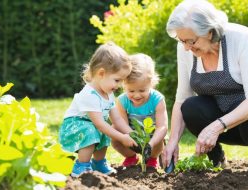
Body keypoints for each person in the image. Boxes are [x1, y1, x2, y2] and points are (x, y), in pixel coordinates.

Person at [162, 0, 248, 174]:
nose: (186, 47)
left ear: (209, 32)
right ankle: (216, 160)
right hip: (226, 118)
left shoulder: (240, 37)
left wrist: (215, 126)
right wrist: (173, 142)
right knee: (190, 107)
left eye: (191, 41)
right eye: (182, 41)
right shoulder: (186, 47)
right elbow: (182, 98)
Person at [58, 42, 137, 177]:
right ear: (101, 73)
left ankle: (98, 163)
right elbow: (99, 124)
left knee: (106, 131)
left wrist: (131, 133)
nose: (119, 85)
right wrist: (122, 138)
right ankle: (81, 166)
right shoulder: (90, 94)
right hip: (74, 127)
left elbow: (117, 119)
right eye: (117, 80)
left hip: (92, 126)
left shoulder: (109, 94)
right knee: (94, 130)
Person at [112, 53, 168, 169]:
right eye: (131, 91)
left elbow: (162, 127)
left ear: (151, 84)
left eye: (142, 90)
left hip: (152, 136)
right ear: (124, 85)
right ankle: (131, 157)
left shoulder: (157, 99)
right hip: (131, 135)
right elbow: (121, 124)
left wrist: (150, 144)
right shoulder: (122, 101)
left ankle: (152, 159)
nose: (136, 95)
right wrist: (133, 136)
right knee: (114, 133)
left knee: (159, 137)